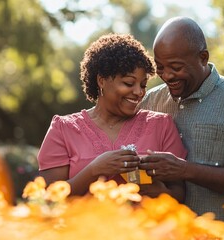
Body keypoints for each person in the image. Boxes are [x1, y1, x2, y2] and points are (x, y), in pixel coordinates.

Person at [138, 16, 224, 221]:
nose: (167, 75)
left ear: (203, 57)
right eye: (160, 67)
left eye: (176, 67)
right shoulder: (149, 101)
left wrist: (183, 170)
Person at [37, 33, 187, 202]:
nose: (138, 92)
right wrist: (95, 170)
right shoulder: (63, 129)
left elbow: (179, 195)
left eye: (143, 85)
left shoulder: (161, 126)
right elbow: (49, 200)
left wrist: (161, 192)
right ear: (101, 81)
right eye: (129, 83)